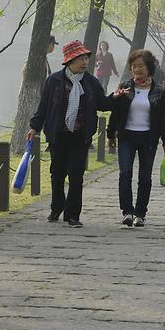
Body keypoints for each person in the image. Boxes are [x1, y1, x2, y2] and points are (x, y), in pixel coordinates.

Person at [27, 40, 119, 228]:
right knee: (57, 173)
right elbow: (43, 107)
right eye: (80, 58)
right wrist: (34, 127)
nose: (84, 62)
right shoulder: (53, 81)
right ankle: (56, 207)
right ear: (69, 60)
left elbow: (102, 104)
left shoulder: (91, 82)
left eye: (86, 58)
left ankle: (72, 215)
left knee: (76, 175)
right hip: (58, 135)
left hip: (80, 136)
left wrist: (115, 98)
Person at [106, 49, 165, 228]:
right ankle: (127, 211)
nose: (137, 70)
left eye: (141, 66)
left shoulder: (158, 90)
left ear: (149, 68)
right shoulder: (125, 86)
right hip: (127, 136)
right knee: (125, 173)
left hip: (148, 138)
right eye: (134, 66)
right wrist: (110, 134)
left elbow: (163, 118)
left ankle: (140, 214)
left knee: (145, 177)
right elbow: (116, 113)